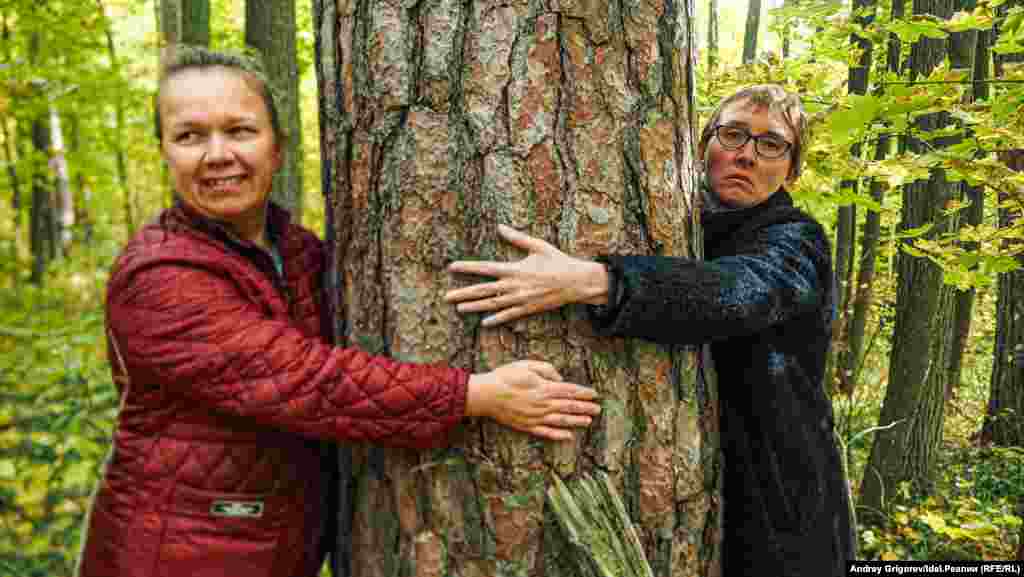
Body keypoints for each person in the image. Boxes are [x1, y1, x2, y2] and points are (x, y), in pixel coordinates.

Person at [74, 46, 601, 577]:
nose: (217, 154)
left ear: (277, 147)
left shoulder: (296, 251)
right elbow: (305, 380)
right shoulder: (158, 277)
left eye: (239, 130)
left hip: (268, 548)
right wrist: (476, 394)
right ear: (164, 150)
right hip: (172, 556)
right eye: (190, 136)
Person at [445, 84, 855, 576]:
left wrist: (595, 281)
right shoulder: (679, 219)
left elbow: (744, 292)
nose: (746, 154)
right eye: (733, 134)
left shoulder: (798, 241)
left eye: (771, 144)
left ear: (792, 167)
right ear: (704, 144)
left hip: (785, 503)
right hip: (706, 494)